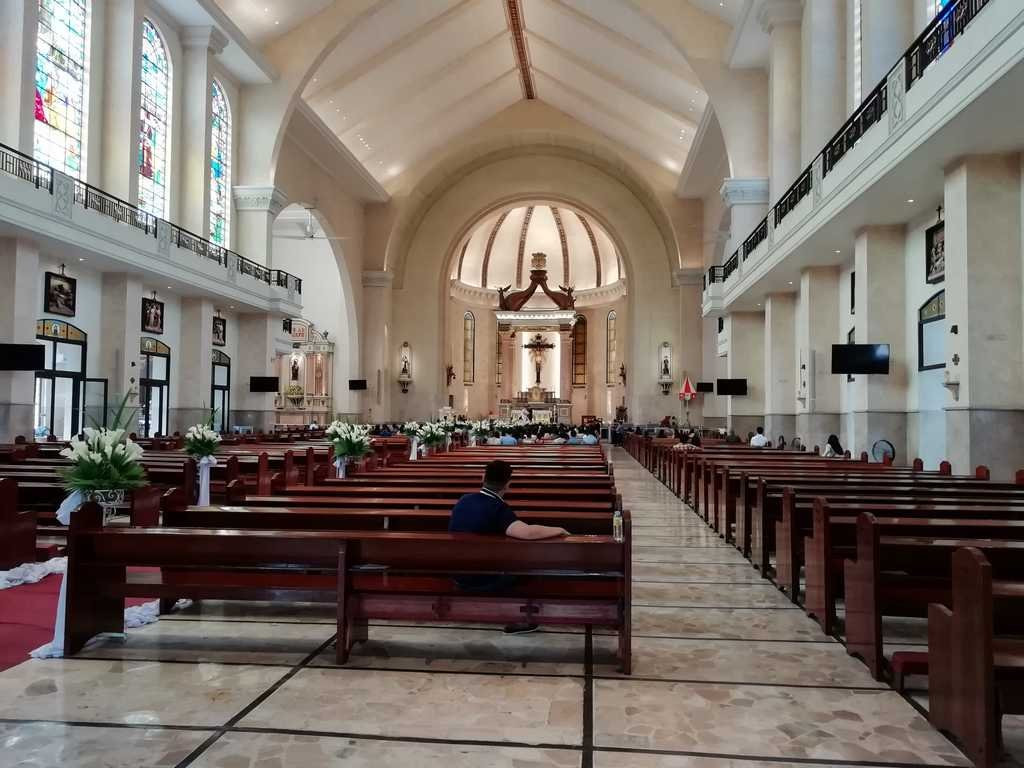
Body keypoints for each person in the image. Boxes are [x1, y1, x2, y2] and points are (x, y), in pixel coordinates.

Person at [449, 461, 570, 633]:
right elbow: (526, 533)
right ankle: (521, 616)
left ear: (482, 478)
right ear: (508, 484)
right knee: (532, 568)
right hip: (482, 577)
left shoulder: (464, 500)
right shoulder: (497, 507)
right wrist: (559, 529)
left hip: (458, 572)